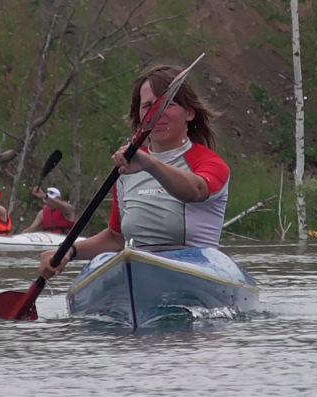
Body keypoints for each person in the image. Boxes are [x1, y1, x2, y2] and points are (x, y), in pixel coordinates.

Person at [38, 63, 229, 279]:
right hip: (141, 271)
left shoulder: (210, 163)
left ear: (190, 113)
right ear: (139, 116)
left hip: (198, 271)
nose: (158, 113)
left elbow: (195, 190)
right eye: (148, 106)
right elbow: (116, 238)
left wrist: (150, 164)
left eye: (168, 104)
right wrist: (68, 251)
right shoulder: (126, 170)